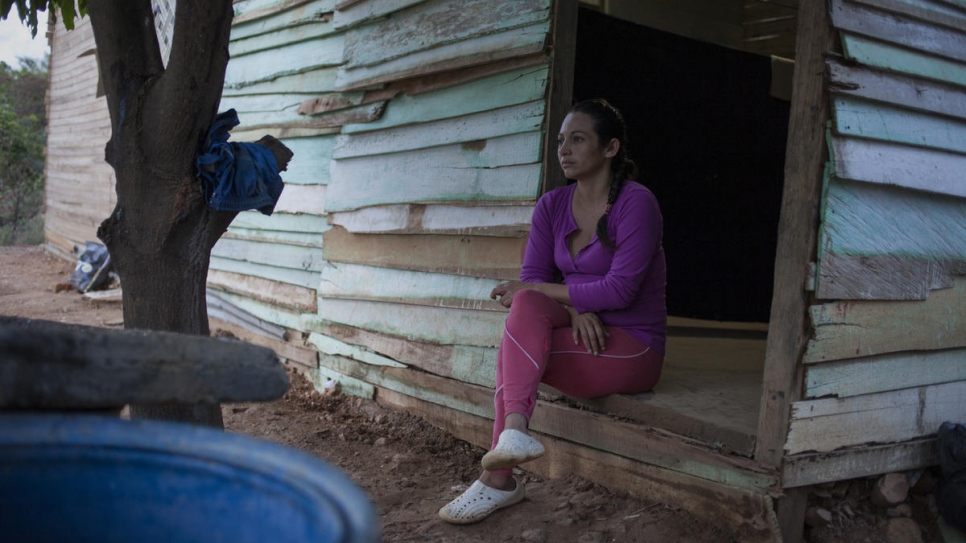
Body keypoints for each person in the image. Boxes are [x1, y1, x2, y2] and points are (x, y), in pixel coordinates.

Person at [438, 99, 667, 524]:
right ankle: (513, 439)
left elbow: (620, 291)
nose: (564, 149)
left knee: (516, 351)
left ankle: (500, 479)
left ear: (610, 148)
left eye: (578, 139)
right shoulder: (552, 205)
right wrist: (576, 305)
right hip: (582, 332)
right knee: (524, 310)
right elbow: (528, 290)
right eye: (562, 140)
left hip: (631, 346)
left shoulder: (637, 204)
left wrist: (567, 297)